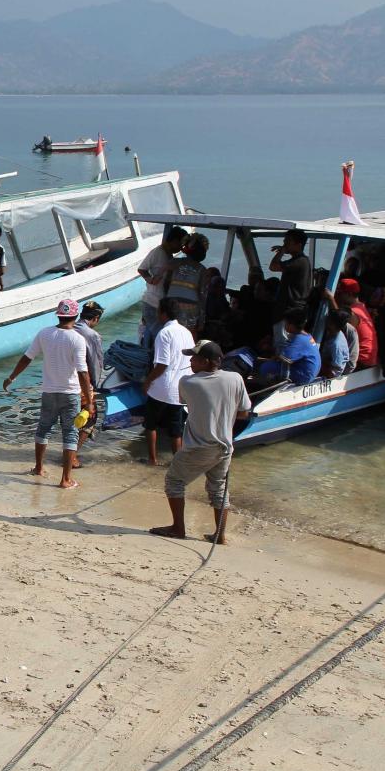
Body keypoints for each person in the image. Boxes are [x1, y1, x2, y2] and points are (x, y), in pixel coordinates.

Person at [150, 340, 251, 544]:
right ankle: (219, 535)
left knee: (174, 481)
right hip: (224, 446)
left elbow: (184, 401)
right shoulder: (236, 379)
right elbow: (243, 413)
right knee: (218, 488)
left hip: (199, 447)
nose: (191, 361)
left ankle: (178, 528)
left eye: (194, 358)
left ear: (206, 361)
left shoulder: (188, 382)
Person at [3, 299, 93, 489]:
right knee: (70, 434)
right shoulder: (77, 339)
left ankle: (38, 468)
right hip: (70, 394)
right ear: (75, 317)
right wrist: (90, 401)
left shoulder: (44, 334)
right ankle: (65, 480)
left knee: (43, 429)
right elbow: (82, 372)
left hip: (48, 392)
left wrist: (11, 378)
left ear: (58, 315)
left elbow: (27, 358)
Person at [142, 297, 195, 465]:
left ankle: (152, 459)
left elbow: (162, 364)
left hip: (162, 386)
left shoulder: (164, 333)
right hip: (180, 388)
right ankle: (177, 463)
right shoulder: (186, 332)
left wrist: (148, 381)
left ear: (163, 313)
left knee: (151, 424)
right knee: (176, 429)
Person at [137, 226, 189, 342]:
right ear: (174, 241)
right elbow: (142, 269)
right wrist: (151, 280)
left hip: (161, 303)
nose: (180, 249)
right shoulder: (157, 252)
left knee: (158, 335)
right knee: (159, 336)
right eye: (180, 245)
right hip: (152, 303)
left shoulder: (169, 255)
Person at [255, 306, 321, 386]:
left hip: (304, 375)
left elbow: (285, 358)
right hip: (309, 372)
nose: (284, 325)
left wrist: (270, 352)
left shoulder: (299, 340)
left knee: (266, 367)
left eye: (285, 323)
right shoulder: (307, 336)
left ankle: (267, 387)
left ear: (292, 325)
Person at [268, 228, 312, 340]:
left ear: (298, 244)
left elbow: (273, 267)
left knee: (283, 344)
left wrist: (282, 252)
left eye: (287, 242)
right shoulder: (300, 261)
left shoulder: (300, 261)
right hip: (290, 312)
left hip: (289, 313)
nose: (285, 245)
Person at [326, 278, 378, 370]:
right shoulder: (361, 306)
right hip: (369, 359)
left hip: (362, 361)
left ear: (349, 294)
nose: (337, 295)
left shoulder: (354, 312)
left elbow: (339, 322)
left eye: (340, 293)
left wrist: (331, 299)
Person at [165, 233, 211, 332]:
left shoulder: (173, 263)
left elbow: (166, 285)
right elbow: (203, 297)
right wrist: (202, 320)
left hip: (171, 308)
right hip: (190, 312)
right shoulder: (202, 271)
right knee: (187, 340)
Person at [74, 301, 105, 387]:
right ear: (96, 318)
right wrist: (96, 385)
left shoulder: (69, 330)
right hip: (83, 383)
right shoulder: (93, 335)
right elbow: (95, 364)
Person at [321, 310, 352, 378]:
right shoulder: (331, 333)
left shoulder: (336, 345)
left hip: (331, 371)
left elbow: (336, 368)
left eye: (328, 320)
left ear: (332, 324)